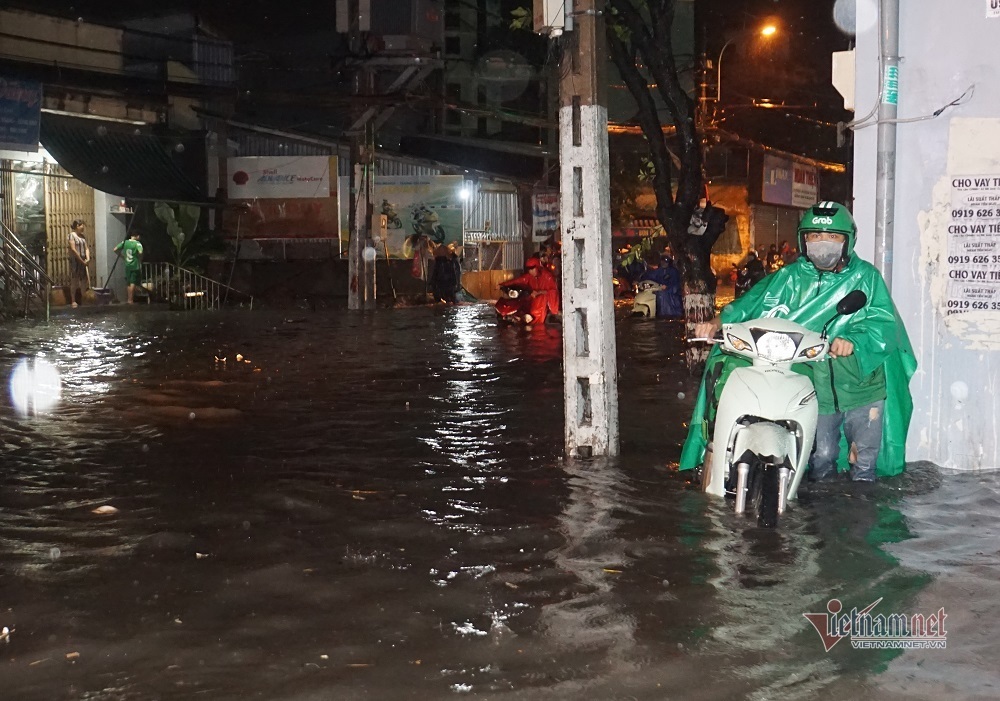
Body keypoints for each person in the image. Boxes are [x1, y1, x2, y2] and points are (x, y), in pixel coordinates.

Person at [680, 201, 917, 482]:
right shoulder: (787, 277)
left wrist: (853, 340)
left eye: (832, 236)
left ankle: (855, 507)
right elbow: (748, 305)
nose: (823, 243)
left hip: (851, 381)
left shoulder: (865, 278)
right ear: (803, 240)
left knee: (860, 455)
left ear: (848, 240)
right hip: (799, 371)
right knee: (727, 372)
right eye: (814, 236)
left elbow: (882, 322)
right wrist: (717, 323)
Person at [499, 256, 559, 325]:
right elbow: (518, 280)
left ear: (537, 267)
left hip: (544, 302)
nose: (531, 271)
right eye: (529, 269)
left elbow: (553, 291)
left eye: (532, 268)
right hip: (533, 302)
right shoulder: (529, 276)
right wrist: (503, 284)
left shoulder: (548, 276)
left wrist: (539, 292)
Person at [639, 250, 682, 318]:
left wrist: (667, 287)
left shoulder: (674, 271)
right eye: (662, 259)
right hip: (660, 293)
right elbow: (650, 276)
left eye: (665, 260)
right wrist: (639, 280)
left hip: (671, 297)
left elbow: (676, 284)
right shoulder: (659, 271)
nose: (663, 262)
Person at [114, 231, 143, 304]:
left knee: (128, 282)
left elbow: (115, 249)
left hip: (127, 264)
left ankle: (129, 299)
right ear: (137, 236)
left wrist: (122, 257)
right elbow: (140, 252)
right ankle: (131, 299)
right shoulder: (137, 243)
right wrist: (139, 258)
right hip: (134, 265)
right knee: (133, 282)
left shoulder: (125, 242)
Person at [68, 219, 90, 308]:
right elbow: (73, 249)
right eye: (81, 225)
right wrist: (81, 260)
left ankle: (83, 299)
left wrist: (88, 258)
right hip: (75, 260)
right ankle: (73, 300)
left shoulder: (82, 237)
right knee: (75, 280)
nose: (83, 227)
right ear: (77, 226)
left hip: (83, 260)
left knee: (84, 280)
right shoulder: (71, 236)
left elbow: (86, 248)